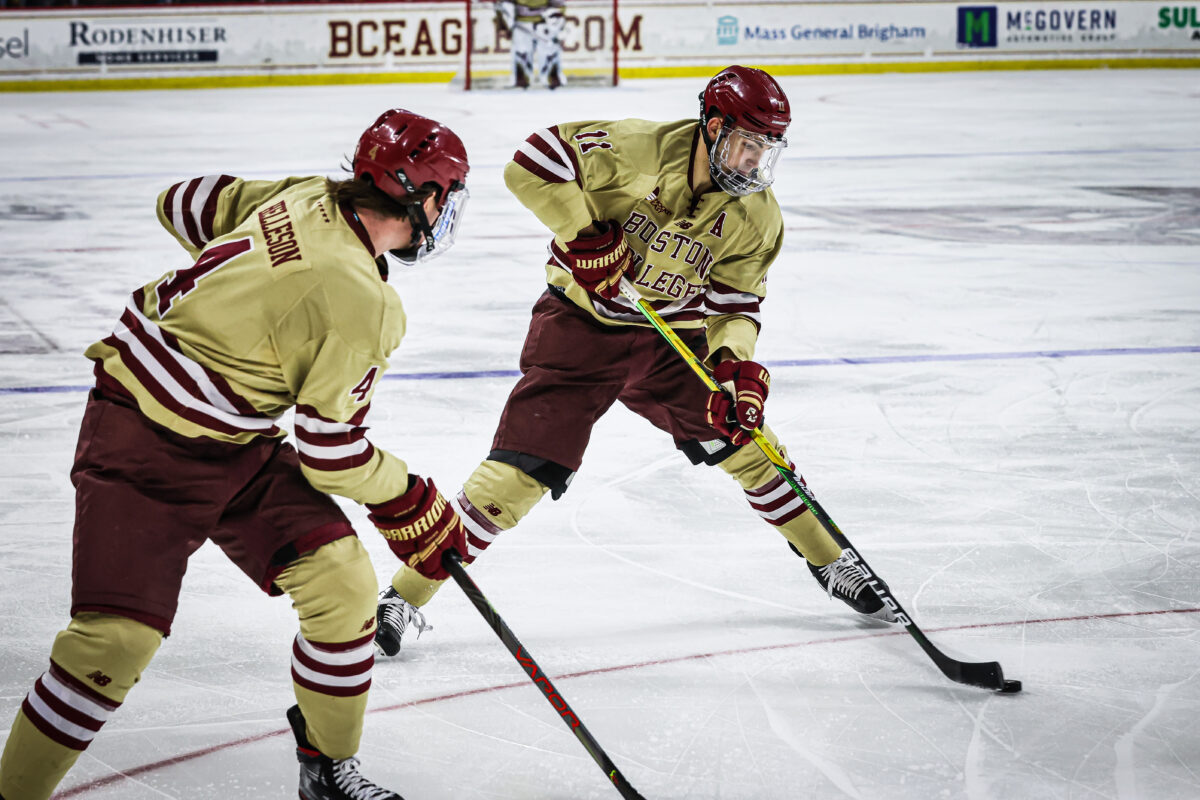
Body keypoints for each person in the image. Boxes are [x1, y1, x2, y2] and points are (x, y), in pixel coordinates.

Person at [0, 109, 471, 800]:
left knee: (341, 588)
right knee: (112, 645)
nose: (448, 209)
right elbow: (330, 452)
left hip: (234, 441)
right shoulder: (363, 302)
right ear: (422, 195)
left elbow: (184, 203)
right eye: (448, 193)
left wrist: (245, 279)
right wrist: (411, 501)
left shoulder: (311, 194)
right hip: (143, 440)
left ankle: (326, 771)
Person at [372, 65, 899, 659]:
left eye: (766, 150)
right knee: (515, 479)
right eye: (747, 144)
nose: (754, 162)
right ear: (714, 125)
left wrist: (734, 368)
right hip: (578, 330)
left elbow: (736, 304)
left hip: (669, 338)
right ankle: (403, 595)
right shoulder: (636, 149)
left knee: (753, 446)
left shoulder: (757, 217)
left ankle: (833, 562)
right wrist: (584, 235)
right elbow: (531, 161)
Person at [494, 0, 567, 89]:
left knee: (549, 52)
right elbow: (504, 3)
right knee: (521, 51)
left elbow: (559, 4)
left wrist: (557, 19)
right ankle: (521, 78)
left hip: (545, 23)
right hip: (521, 23)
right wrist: (504, 22)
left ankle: (552, 77)